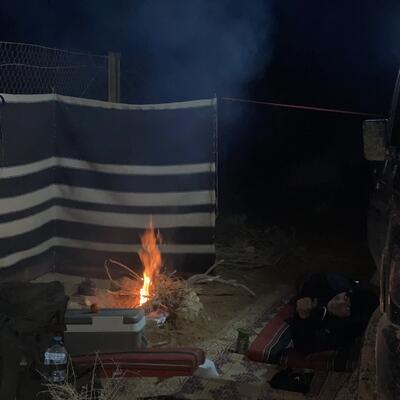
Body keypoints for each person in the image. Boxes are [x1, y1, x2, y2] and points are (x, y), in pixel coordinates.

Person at [288, 272, 379, 354]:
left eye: (347, 308)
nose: (339, 303)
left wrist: (303, 318)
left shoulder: (340, 333)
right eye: (346, 297)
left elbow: (305, 346)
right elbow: (314, 278)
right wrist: (305, 296)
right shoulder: (339, 284)